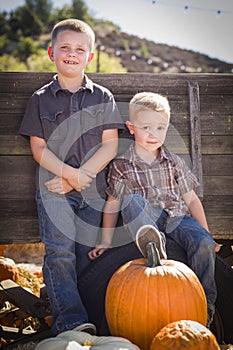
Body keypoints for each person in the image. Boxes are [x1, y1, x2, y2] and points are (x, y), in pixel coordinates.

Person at [18, 18, 124, 336]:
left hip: (92, 188)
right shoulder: (40, 99)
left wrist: (82, 177)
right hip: (53, 187)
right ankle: (70, 323)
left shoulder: (102, 96)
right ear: (52, 52)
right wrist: (68, 176)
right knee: (60, 250)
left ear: (89, 57)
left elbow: (111, 146)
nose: (71, 53)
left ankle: (88, 316)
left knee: (85, 254)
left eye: (80, 49)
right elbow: (39, 149)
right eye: (64, 47)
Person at [89, 91, 220, 327]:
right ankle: (153, 244)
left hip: (178, 218)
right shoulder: (122, 165)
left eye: (160, 128)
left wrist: (206, 233)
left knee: (203, 243)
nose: (153, 134)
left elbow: (191, 200)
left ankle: (206, 305)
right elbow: (113, 204)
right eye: (146, 127)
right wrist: (105, 241)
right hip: (146, 218)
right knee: (132, 201)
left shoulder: (174, 161)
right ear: (131, 127)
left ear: (167, 128)